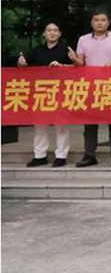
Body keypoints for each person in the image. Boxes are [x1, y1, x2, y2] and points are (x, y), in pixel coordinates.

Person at [73, 7, 111, 168]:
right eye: (96, 20)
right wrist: (74, 59)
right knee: (90, 123)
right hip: (90, 86)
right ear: (92, 22)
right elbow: (80, 63)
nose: (100, 23)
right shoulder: (83, 40)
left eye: (103, 20)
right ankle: (89, 155)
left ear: (108, 22)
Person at [18, 21, 77, 167]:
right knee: (40, 126)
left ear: (60, 33)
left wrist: (62, 66)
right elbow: (23, 65)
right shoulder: (37, 50)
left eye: (55, 30)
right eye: (49, 30)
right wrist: (20, 62)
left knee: (61, 126)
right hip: (41, 93)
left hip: (61, 92)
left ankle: (61, 156)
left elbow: (78, 68)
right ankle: (40, 156)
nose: (52, 33)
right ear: (44, 33)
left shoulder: (66, 50)